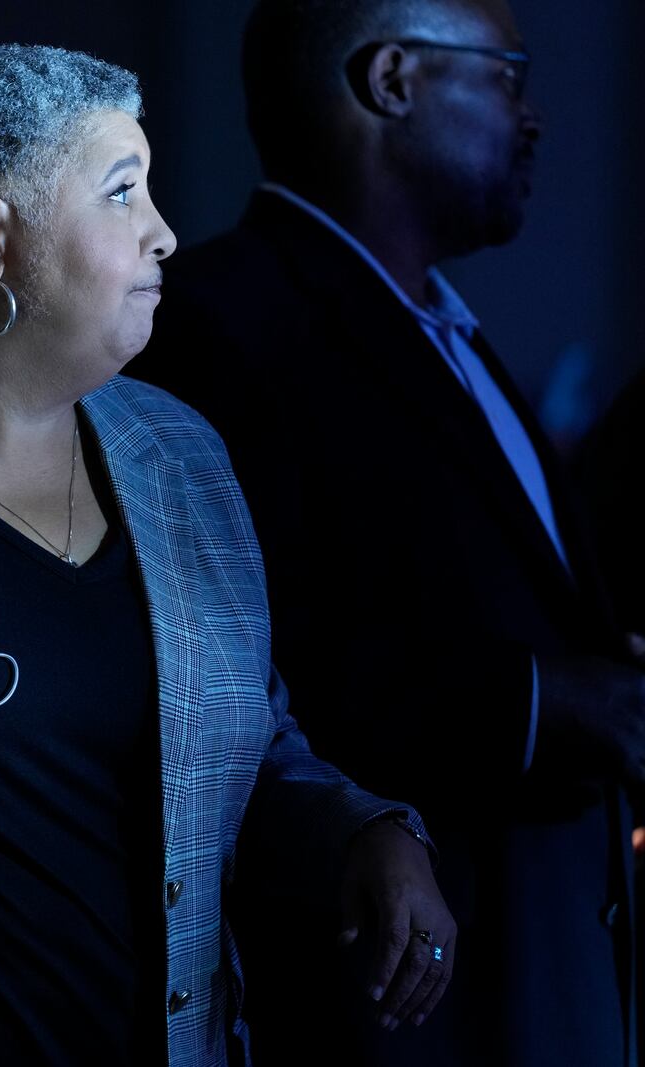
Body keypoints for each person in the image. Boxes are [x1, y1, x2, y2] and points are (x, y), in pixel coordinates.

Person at [0, 44, 453, 1065]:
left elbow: (243, 739)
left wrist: (367, 828)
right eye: (122, 193)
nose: (166, 233)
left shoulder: (177, 453)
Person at [130, 2, 642, 1063]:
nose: (534, 115)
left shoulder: (446, 330)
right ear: (394, 79)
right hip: (401, 1012)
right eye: (506, 76)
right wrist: (548, 700)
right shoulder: (220, 323)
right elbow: (235, 676)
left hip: (542, 982)